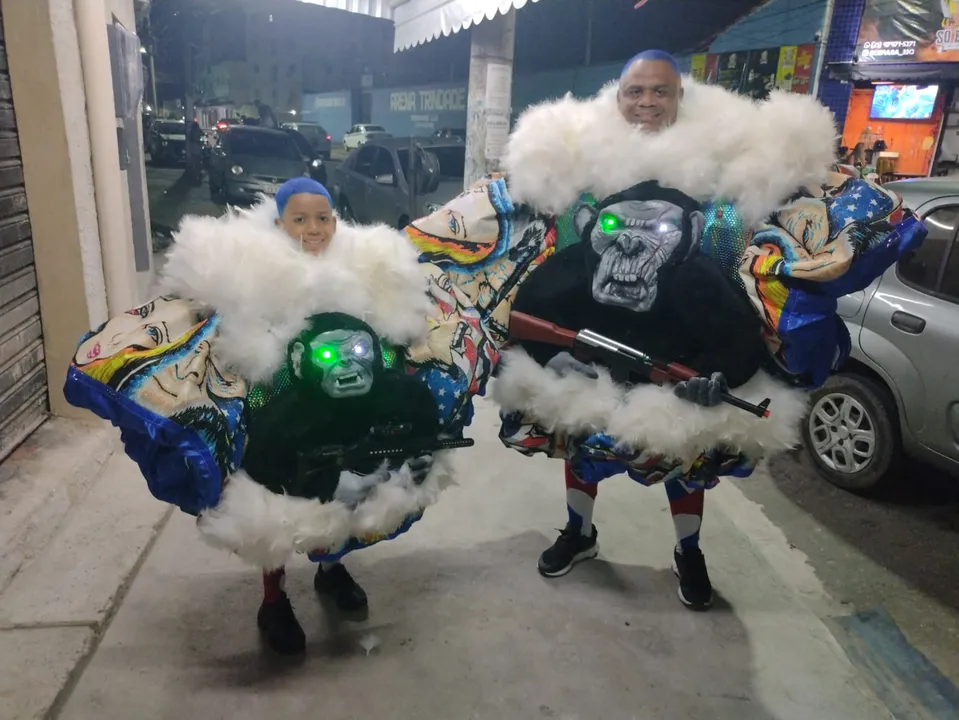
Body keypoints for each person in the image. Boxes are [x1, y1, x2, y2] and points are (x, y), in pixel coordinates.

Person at [426, 49, 919, 611]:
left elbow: (764, 224)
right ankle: (579, 533)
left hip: (685, 329)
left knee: (686, 457)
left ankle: (689, 552)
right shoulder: (582, 150)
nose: (647, 102)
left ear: (678, 97)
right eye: (636, 91)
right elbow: (535, 221)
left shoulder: (718, 153)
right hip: (594, 325)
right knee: (581, 443)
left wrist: (728, 362)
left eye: (659, 91)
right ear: (620, 96)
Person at [64, 177, 498, 656]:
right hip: (282, 403)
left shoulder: (369, 262)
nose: (313, 229)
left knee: (355, 486)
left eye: (322, 218)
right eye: (300, 219)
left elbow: (400, 323)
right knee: (278, 497)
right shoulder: (248, 269)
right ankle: (273, 600)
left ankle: (332, 571)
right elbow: (221, 332)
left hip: (359, 395)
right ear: (279, 222)